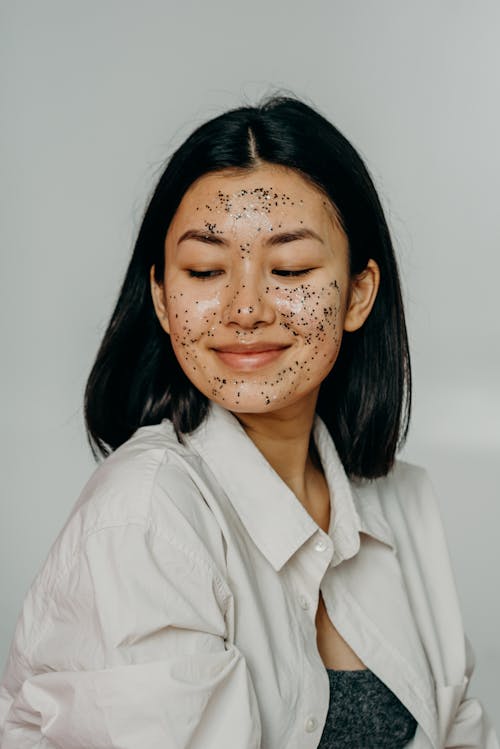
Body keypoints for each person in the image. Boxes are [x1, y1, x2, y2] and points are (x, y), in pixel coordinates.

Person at [0, 96, 497, 749]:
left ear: (357, 293)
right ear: (161, 296)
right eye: (205, 270)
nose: (243, 308)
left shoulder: (403, 501)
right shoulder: (145, 515)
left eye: (289, 268)